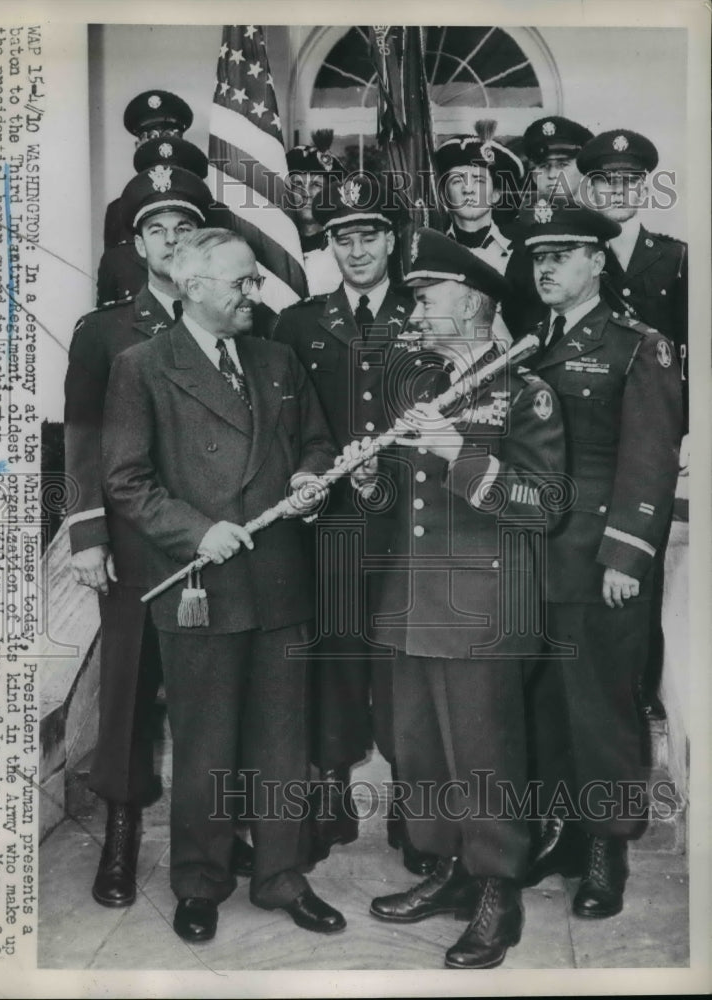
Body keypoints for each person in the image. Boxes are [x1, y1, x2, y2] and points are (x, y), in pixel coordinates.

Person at [101, 228, 345, 943]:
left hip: (278, 582)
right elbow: (126, 479)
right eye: (241, 282)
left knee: (281, 742)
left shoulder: (276, 358)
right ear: (195, 286)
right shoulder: (141, 366)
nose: (254, 293)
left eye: (254, 281)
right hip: (201, 582)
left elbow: (316, 444)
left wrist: (309, 481)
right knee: (205, 745)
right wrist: (195, 532)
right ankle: (200, 882)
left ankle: (280, 877)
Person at [364, 228, 566, 970]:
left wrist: (459, 453)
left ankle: (497, 892)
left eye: (427, 295)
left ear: (474, 301)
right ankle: (448, 871)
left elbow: (543, 506)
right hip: (414, 602)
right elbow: (408, 503)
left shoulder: (525, 390)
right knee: (420, 755)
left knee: (484, 760)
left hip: (484, 608)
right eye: (412, 296)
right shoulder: (423, 386)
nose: (414, 309)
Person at [65, 165, 253, 908]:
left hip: (221, 546)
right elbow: (83, 439)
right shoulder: (106, 331)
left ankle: (218, 830)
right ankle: (120, 834)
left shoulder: (239, 320)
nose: (170, 241)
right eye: (155, 230)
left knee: (220, 694)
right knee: (131, 692)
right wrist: (87, 535)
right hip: (141, 546)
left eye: (183, 228)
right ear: (137, 244)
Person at [518, 202, 682, 917]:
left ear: (595, 261)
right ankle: (563, 833)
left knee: (602, 710)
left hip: (596, 563)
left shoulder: (634, 345)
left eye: (561, 254)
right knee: (545, 707)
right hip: (534, 558)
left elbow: (649, 458)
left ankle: (605, 851)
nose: (545, 267)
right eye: (537, 257)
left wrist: (626, 555)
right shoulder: (530, 343)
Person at [272, 175, 436, 875]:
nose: (357, 247)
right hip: (333, 526)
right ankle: (331, 795)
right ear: (328, 245)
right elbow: (288, 425)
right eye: (343, 236)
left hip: (408, 523)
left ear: (392, 239)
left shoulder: (428, 311)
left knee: (403, 663)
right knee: (334, 659)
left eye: (369, 233)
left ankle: (411, 806)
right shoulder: (299, 324)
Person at [579, 128, 689, 718]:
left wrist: (690, 432)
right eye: (604, 181)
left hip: (656, 435)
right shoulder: (569, 257)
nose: (617, 190)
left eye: (628, 181)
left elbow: (696, 350)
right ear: (588, 188)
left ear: (644, 188)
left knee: (641, 553)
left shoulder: (674, 258)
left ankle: (643, 689)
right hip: (588, 435)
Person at [96, 89, 203, 306]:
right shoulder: (119, 209)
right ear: (138, 146)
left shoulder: (209, 206)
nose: (162, 146)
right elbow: (116, 269)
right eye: (152, 137)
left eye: (170, 135)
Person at [503, 115, 593, 338]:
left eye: (562, 164)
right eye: (543, 166)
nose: (552, 175)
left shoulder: (600, 234)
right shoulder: (520, 241)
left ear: (583, 170)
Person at [434, 121, 525, 276]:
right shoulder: (432, 250)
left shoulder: (520, 249)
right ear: (444, 195)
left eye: (479, 180)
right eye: (457, 181)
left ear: (496, 194)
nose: (468, 189)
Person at [285, 130, 344, 295]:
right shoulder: (278, 243)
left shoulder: (342, 247)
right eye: (297, 184)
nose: (306, 193)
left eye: (316, 185)